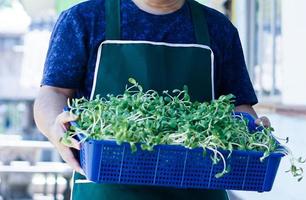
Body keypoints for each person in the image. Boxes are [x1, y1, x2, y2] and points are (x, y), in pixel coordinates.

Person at [34, 0, 271, 199]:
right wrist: (56, 126)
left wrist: (253, 134)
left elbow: (239, 105)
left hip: (198, 189)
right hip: (107, 190)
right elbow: (53, 92)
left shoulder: (218, 28)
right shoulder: (84, 19)